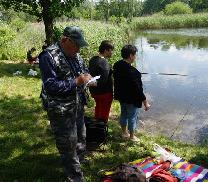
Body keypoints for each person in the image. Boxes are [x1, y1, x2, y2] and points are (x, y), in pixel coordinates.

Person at [38, 26, 92, 182]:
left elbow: (84, 72)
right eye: (76, 45)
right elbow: (51, 85)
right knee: (68, 144)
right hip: (60, 109)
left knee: (81, 137)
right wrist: (76, 81)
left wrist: (89, 79)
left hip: (77, 104)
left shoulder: (76, 55)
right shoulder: (48, 56)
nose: (78, 49)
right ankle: (75, 177)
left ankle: (79, 161)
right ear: (65, 40)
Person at [113, 44, 151, 142]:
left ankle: (124, 132)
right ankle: (132, 136)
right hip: (131, 99)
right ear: (130, 56)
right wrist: (145, 102)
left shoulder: (117, 65)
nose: (135, 57)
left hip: (121, 97)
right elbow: (138, 89)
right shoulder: (134, 72)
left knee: (124, 114)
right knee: (132, 117)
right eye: (135, 55)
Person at [89, 40, 114, 123]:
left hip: (94, 92)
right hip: (104, 93)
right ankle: (101, 130)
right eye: (111, 50)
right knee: (104, 113)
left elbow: (95, 74)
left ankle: (96, 125)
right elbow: (103, 81)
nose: (112, 53)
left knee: (98, 108)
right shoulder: (104, 63)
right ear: (106, 50)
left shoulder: (93, 59)